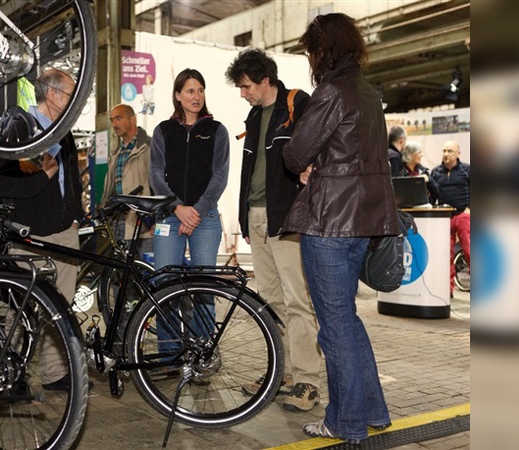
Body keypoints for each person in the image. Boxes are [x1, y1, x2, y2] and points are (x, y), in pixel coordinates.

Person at [281, 13, 397, 444]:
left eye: (311, 49)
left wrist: (308, 165)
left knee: (333, 327)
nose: (310, 58)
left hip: (329, 221)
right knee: (347, 319)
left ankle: (344, 421)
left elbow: (295, 153)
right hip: (364, 223)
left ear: (322, 49)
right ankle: (373, 411)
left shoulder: (330, 90)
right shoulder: (368, 92)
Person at [224, 48, 323, 411]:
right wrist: (243, 216)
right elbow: (248, 171)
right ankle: (281, 372)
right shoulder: (253, 116)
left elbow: (317, 152)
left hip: (287, 216)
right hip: (255, 215)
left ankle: (308, 382)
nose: (243, 92)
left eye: (247, 85)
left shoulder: (297, 104)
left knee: (297, 299)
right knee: (269, 299)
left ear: (266, 80)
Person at [0, 68, 85, 392]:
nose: (77, 100)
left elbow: (71, 179)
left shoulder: (65, 132)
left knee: (61, 306)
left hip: (64, 234)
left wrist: (77, 215)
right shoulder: (21, 127)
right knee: (21, 308)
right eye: (72, 94)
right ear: (54, 94)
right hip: (29, 237)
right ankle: (9, 374)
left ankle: (55, 373)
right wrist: (42, 178)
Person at [149, 68, 229, 370]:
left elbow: (220, 175)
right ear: (178, 96)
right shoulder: (163, 131)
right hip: (169, 218)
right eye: (190, 91)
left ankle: (202, 355)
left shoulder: (217, 130)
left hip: (205, 219)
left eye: (200, 90)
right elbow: (155, 174)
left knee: (204, 288)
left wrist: (196, 210)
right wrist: (176, 208)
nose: (196, 96)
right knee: (164, 285)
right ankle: (169, 356)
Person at [100, 104, 154, 258]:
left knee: (144, 275)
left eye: (119, 118)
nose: (114, 124)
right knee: (121, 275)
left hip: (143, 224)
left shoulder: (148, 147)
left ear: (133, 120)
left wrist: (156, 219)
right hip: (118, 222)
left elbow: (159, 184)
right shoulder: (116, 153)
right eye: (112, 120)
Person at [431, 140, 470, 297]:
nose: (446, 154)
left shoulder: (467, 170)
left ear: (458, 153)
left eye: (450, 151)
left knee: (470, 252)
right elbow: (433, 194)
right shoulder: (435, 172)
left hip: (463, 215)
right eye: (444, 150)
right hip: (444, 217)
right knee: (446, 255)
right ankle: (448, 289)